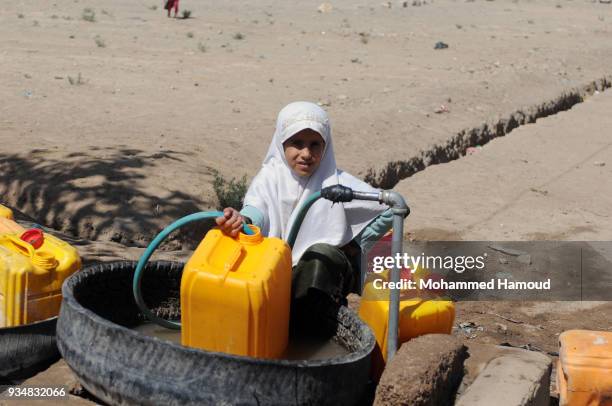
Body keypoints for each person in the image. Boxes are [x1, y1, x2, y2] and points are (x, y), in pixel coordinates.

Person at [215, 101, 394, 331]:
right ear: (282, 143)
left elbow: (392, 208)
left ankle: (316, 328)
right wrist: (243, 220)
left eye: (315, 145)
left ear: (325, 146)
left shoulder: (336, 183)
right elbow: (257, 208)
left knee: (321, 256)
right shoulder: (270, 177)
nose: (306, 154)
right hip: (274, 268)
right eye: (297, 144)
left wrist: (354, 244)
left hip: (321, 275)